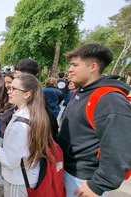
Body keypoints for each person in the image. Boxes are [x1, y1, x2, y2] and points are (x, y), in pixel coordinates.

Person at [56, 43, 131, 197]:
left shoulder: (109, 99)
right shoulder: (82, 91)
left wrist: (98, 185)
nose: (70, 69)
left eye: (75, 65)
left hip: (83, 181)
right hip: (67, 171)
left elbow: (119, 148)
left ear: (93, 67)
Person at [0, 74, 57, 197]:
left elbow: (10, 162)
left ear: (27, 94)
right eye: (10, 88)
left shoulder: (20, 125)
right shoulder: (33, 113)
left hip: (18, 181)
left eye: (14, 89)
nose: (9, 91)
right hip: (25, 176)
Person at [0, 72, 15, 187]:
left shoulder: (14, 97)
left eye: (9, 82)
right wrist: (1, 112)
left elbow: (3, 115)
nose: (7, 85)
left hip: (9, 131)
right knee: (3, 152)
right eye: (5, 82)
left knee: (6, 155)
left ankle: (5, 178)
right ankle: (3, 175)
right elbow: (1, 111)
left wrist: (1, 112)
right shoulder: (6, 94)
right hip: (5, 129)